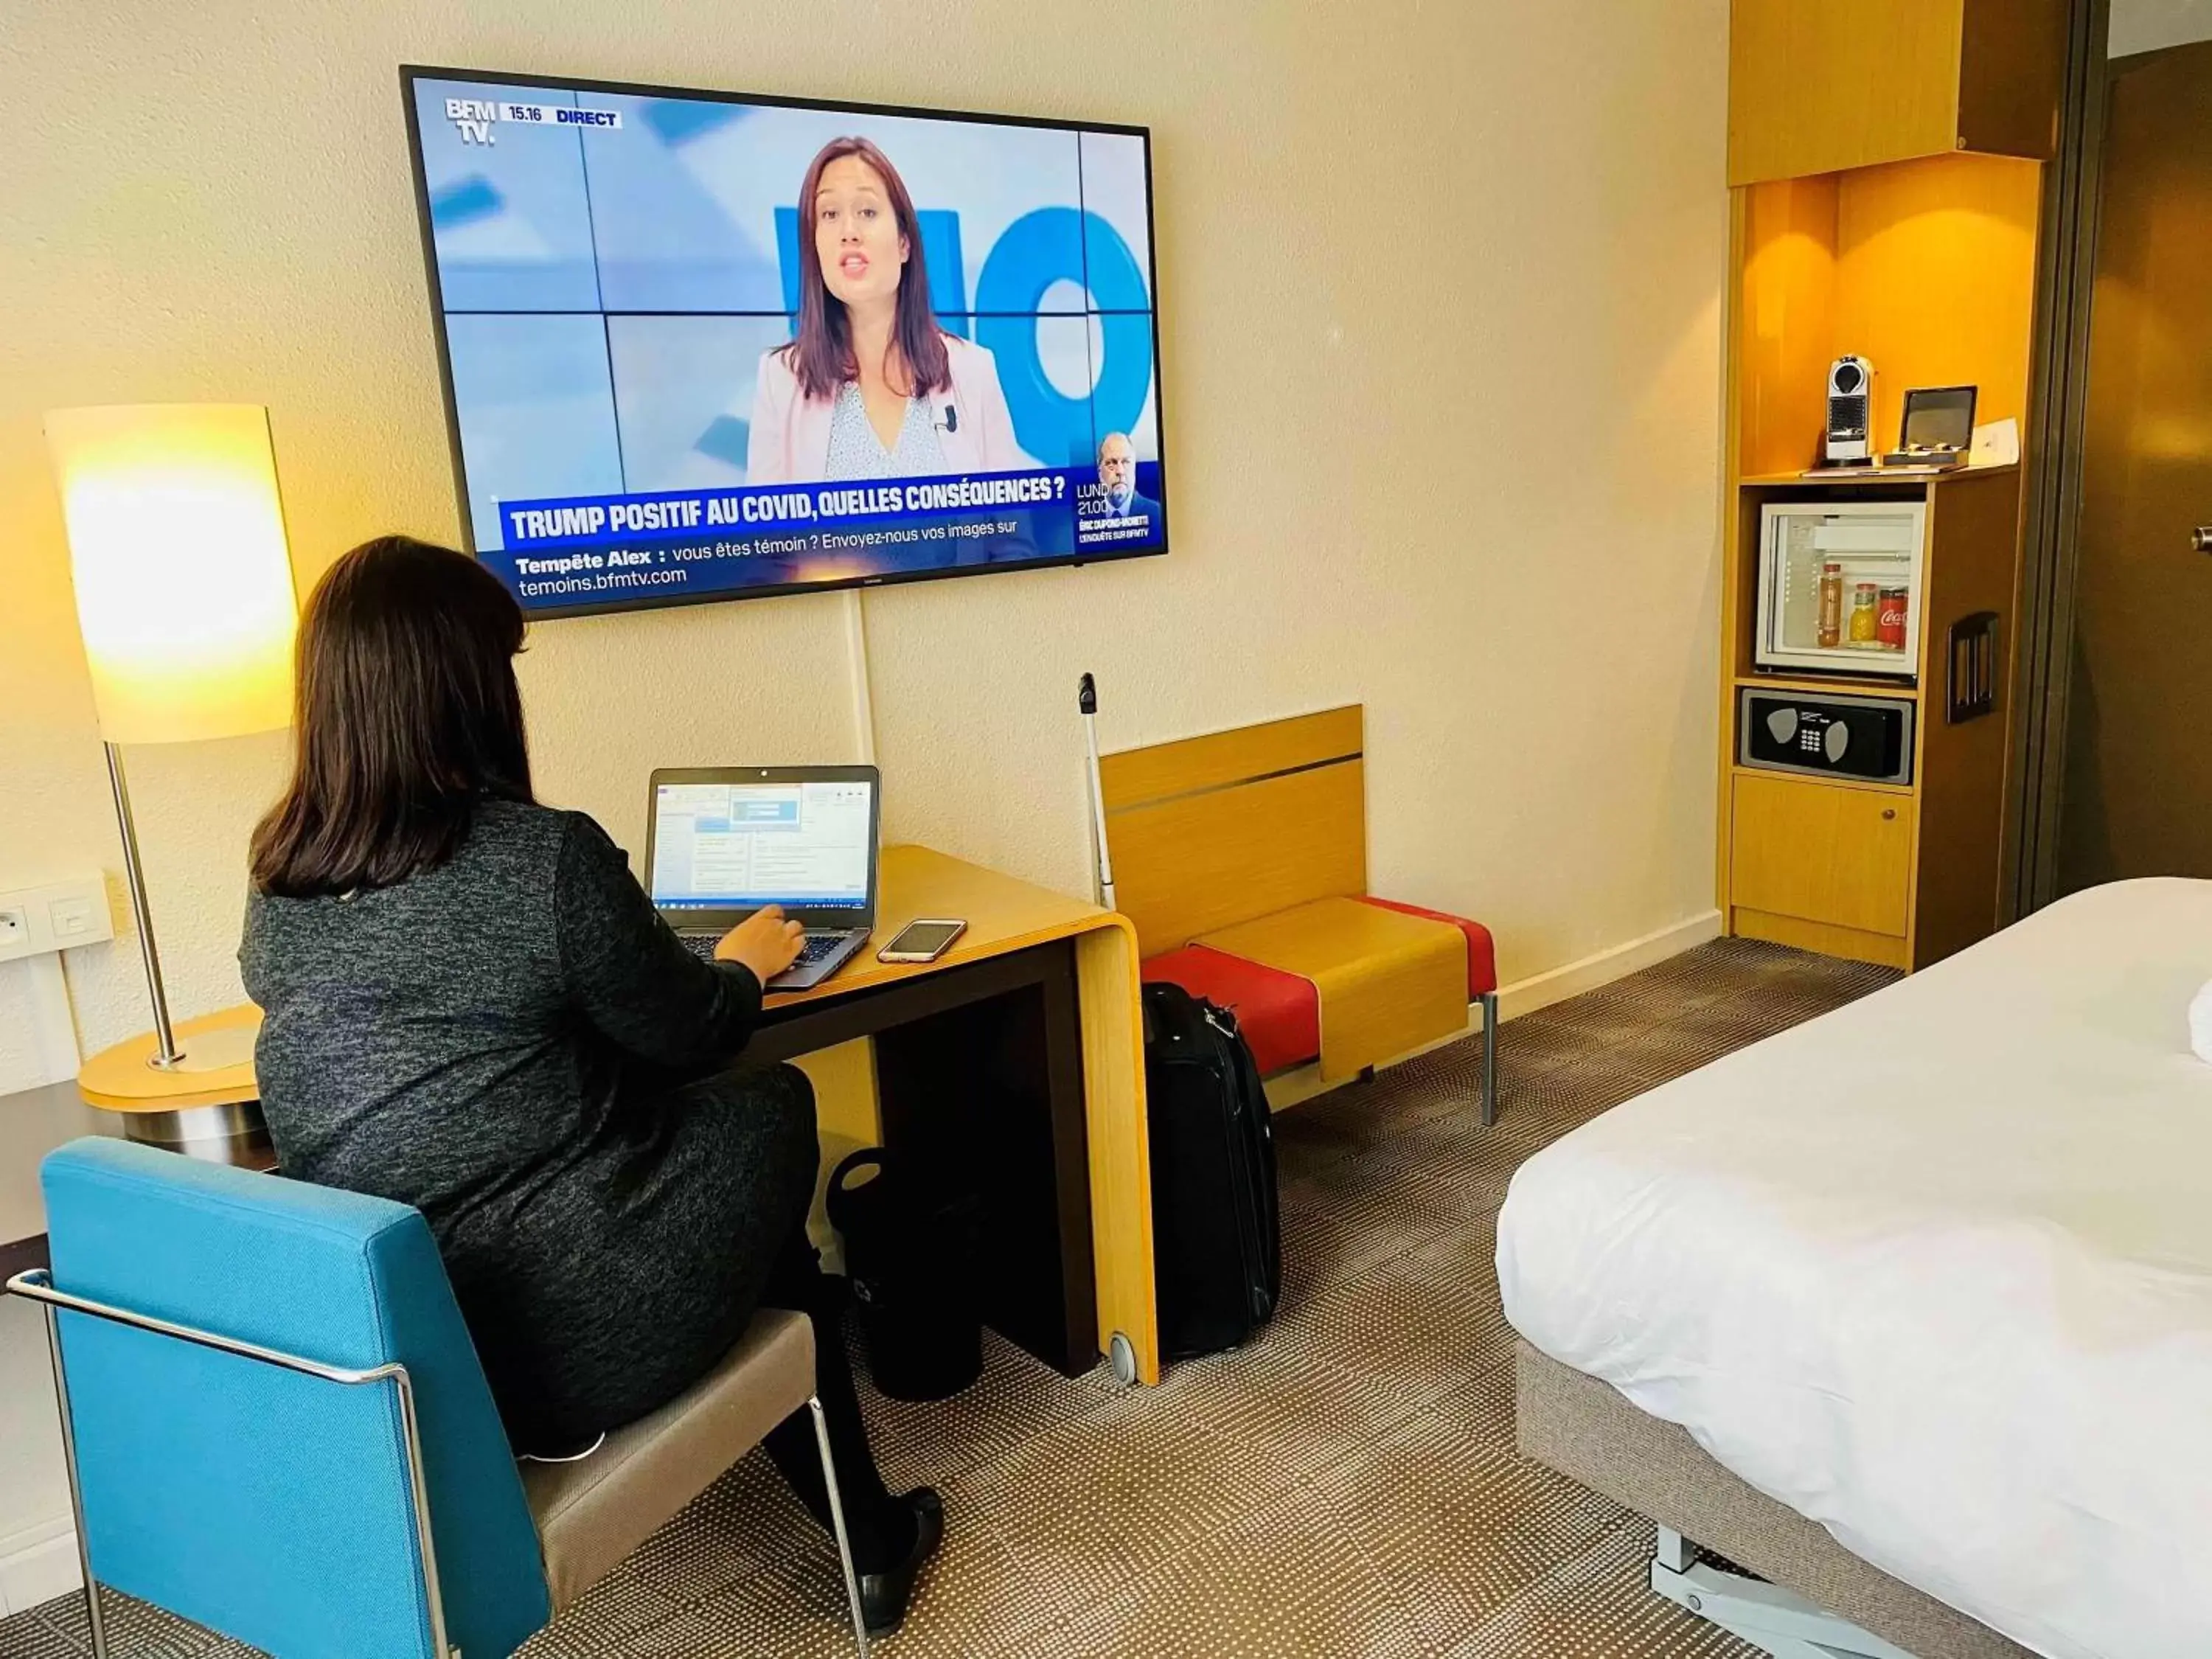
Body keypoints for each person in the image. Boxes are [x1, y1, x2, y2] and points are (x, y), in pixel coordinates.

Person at [238, 535, 941, 1634]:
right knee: (772, 1102)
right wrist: (744, 961)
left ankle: (870, 1527)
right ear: (471, 687)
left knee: (706, 1168)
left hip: (416, 1357)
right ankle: (870, 1532)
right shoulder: (542, 860)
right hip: (562, 1343)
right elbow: (695, 1027)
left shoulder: (280, 874)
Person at [747, 135, 1030, 484]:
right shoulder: (781, 379)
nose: (848, 232)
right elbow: (767, 536)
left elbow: (1012, 531)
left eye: (867, 212)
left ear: (903, 244)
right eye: (830, 214)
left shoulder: (973, 370)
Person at [1092, 431, 1164, 539]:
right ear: (1100, 473)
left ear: (1134, 467)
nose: (1120, 471)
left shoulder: (1158, 515)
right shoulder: (1083, 518)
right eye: (1111, 463)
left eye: (1126, 462)